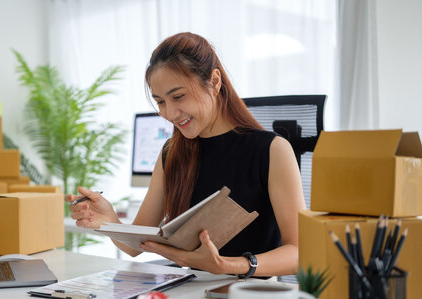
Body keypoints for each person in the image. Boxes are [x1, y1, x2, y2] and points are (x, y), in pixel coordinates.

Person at [65, 32, 305, 277]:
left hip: (247, 297)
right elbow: (136, 245)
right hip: (186, 293)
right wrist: (109, 222)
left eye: (178, 96)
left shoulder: (272, 150)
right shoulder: (172, 153)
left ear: (214, 81)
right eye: (160, 102)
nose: (169, 113)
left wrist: (226, 265)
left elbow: (299, 252)